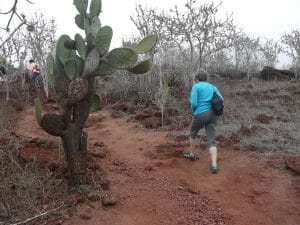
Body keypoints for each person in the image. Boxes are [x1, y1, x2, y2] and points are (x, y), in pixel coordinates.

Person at [183, 69, 224, 174]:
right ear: (206, 78)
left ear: (196, 79)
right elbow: (221, 99)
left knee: (193, 133)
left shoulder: (196, 87)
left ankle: (192, 155)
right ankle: (214, 165)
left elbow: (194, 103)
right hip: (212, 115)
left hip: (201, 113)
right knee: (211, 140)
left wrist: (194, 112)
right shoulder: (212, 87)